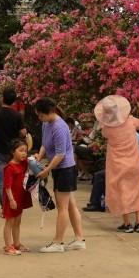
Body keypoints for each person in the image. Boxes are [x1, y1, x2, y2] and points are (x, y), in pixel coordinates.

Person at [33, 97, 86, 253]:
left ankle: (58, 242)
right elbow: (44, 144)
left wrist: (47, 169)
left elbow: (60, 154)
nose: (39, 118)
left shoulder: (60, 127)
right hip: (59, 168)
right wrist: (39, 156)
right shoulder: (46, 124)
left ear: (50, 112)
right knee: (70, 205)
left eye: (41, 115)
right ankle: (79, 239)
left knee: (62, 207)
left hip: (65, 169)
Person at [94, 95, 139, 234]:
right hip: (135, 162)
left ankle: (127, 224)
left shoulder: (107, 129)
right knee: (138, 190)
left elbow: (102, 129)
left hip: (118, 165)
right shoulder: (131, 120)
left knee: (122, 191)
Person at [0, 87, 28, 208]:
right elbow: (23, 132)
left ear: (2, 98)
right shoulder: (17, 115)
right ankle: (15, 203)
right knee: (15, 180)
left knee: (1, 181)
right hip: (14, 153)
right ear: (13, 101)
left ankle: (5, 207)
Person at [1, 139, 33, 255]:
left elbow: (33, 162)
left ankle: (17, 244)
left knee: (17, 222)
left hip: (20, 198)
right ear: (13, 152)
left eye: (25, 151)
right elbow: (7, 186)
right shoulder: (10, 168)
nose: (24, 153)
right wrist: (11, 200)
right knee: (9, 222)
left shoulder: (23, 163)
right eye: (21, 150)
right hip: (12, 199)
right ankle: (8, 246)